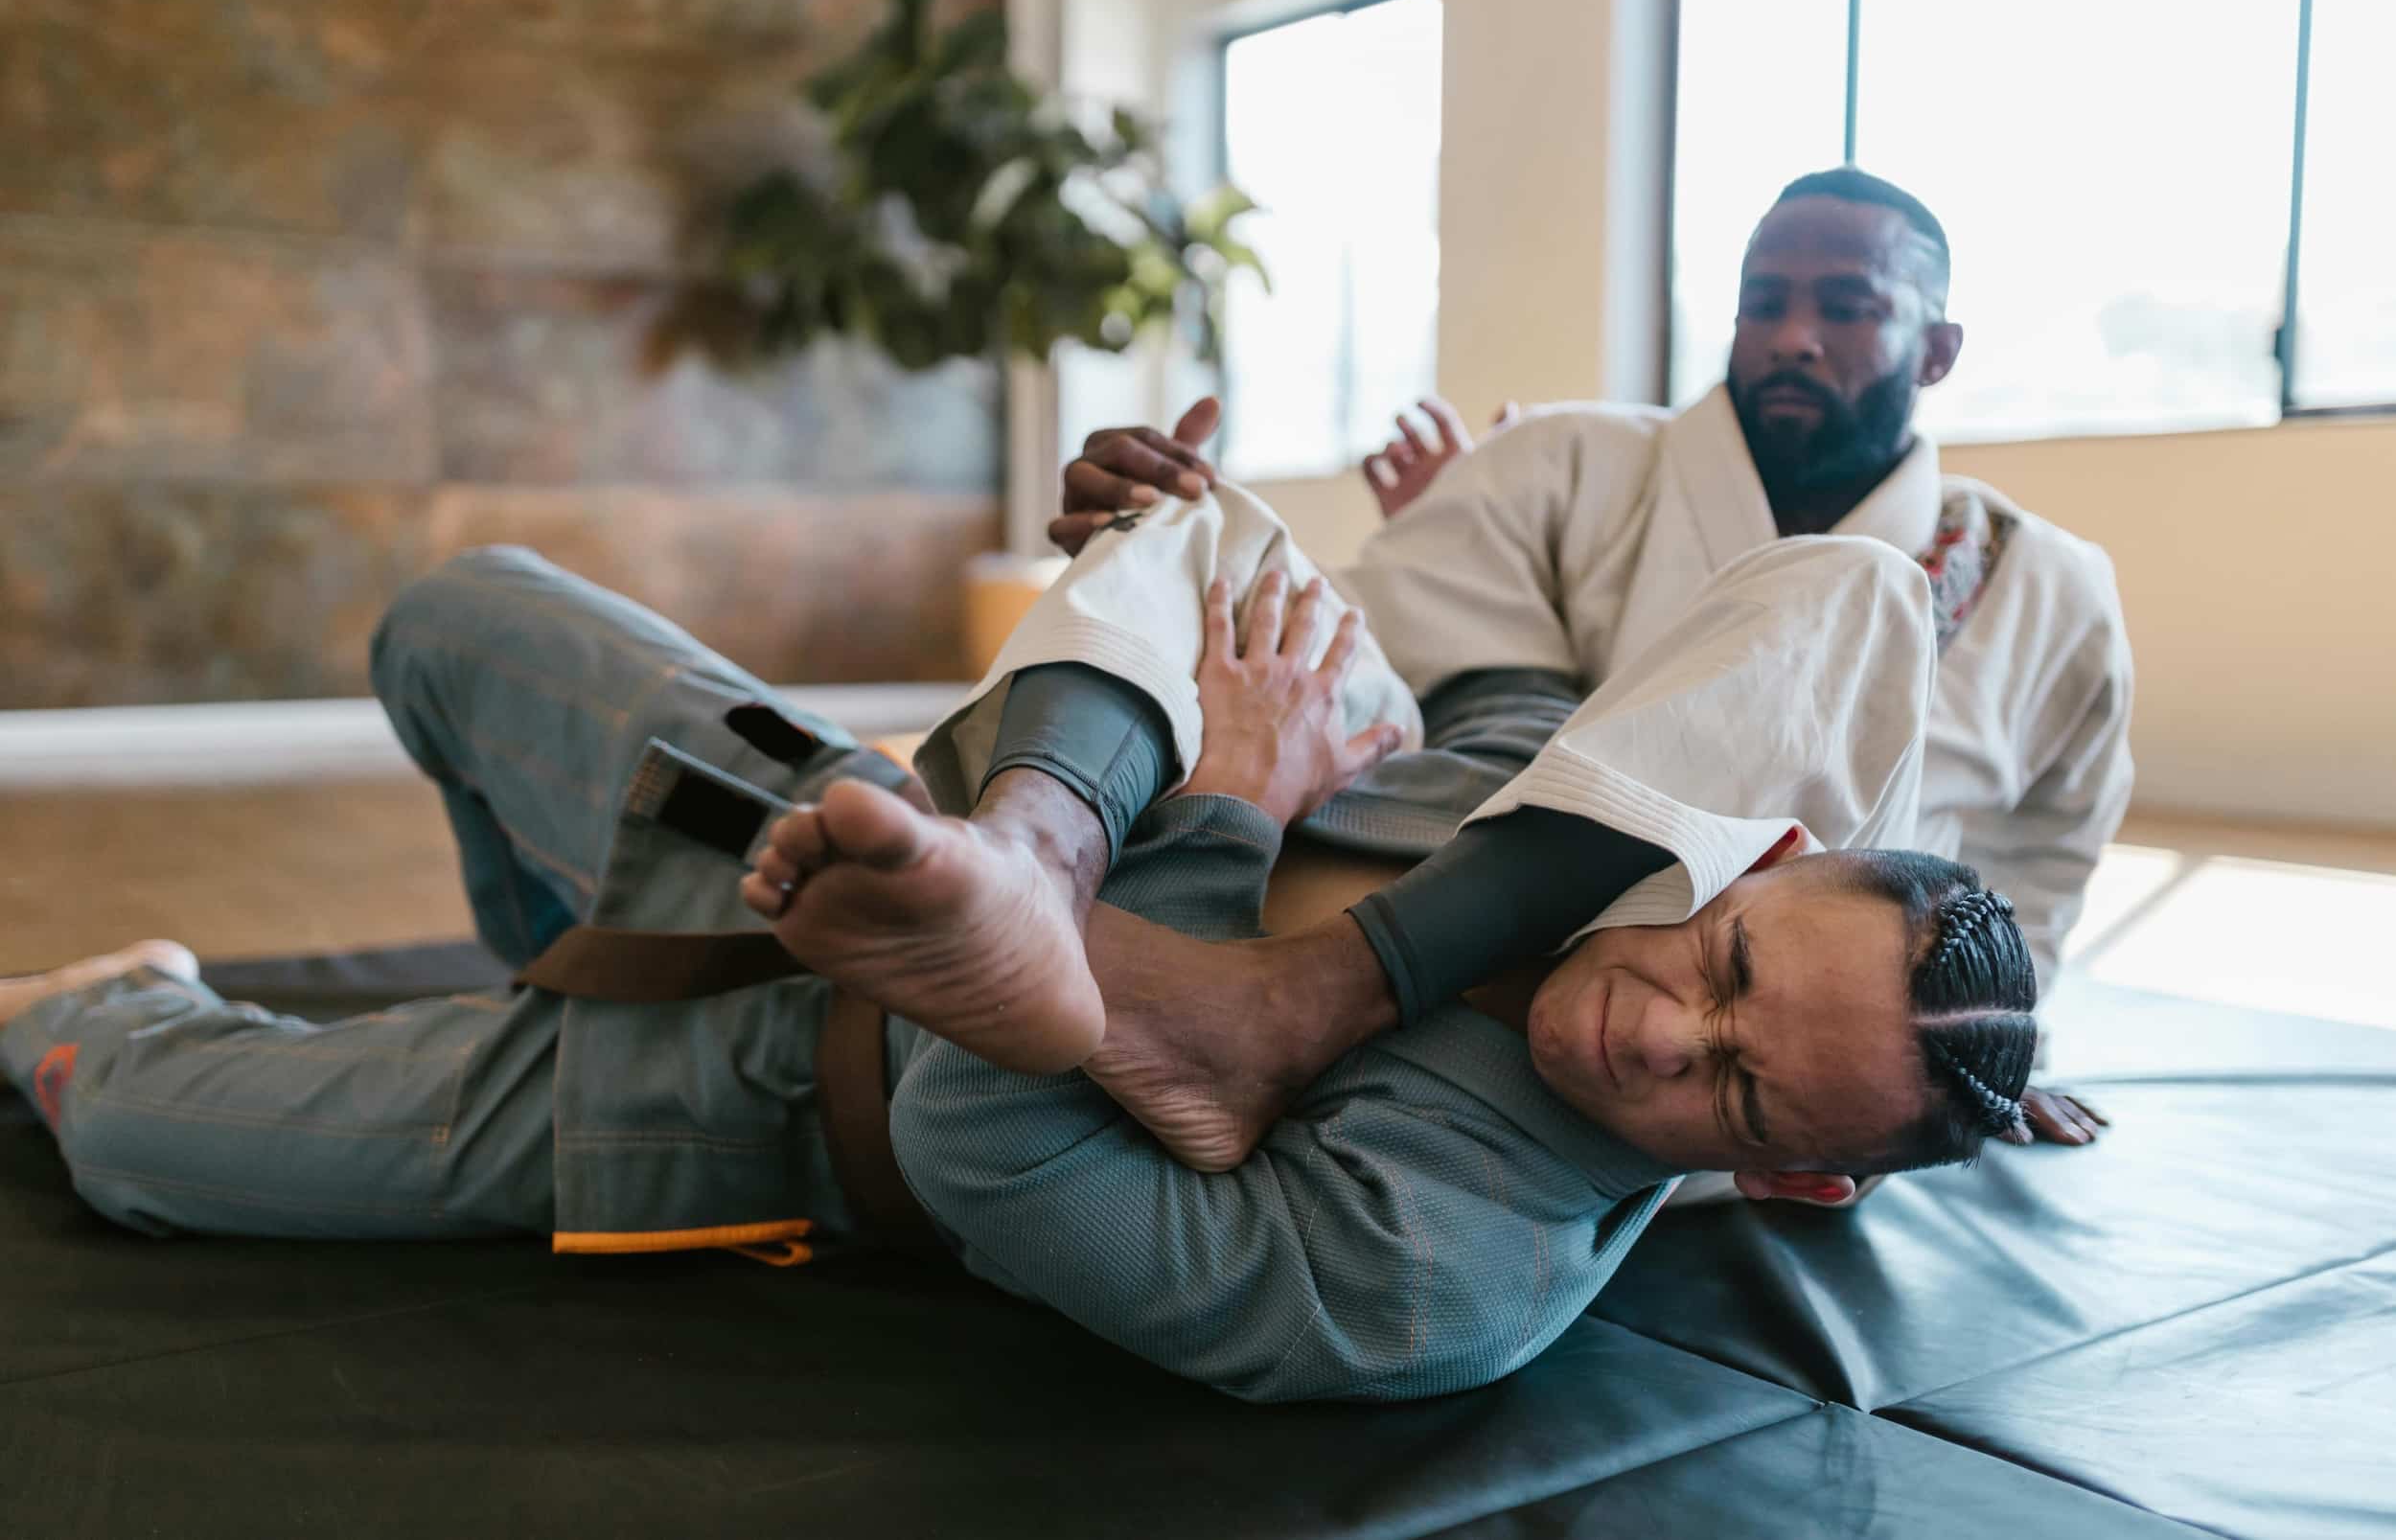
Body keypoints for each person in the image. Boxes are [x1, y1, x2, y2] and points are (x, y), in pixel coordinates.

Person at [3, 512, 2034, 1401]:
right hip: (862, 818)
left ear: (1778, 1172)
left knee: (117, 1111)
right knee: (455, 609)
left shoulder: (1442, 1268)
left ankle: (188, 1007)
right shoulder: (1569, 801)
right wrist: (1145, 632)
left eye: (1739, 1088)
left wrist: (1232, 811)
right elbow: (1297, 615)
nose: (1661, 1023)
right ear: (1751, 851)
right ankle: (976, 854)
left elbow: (995, 1141)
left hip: (776, 1097)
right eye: (1738, 959)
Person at [1051, 167, 2131, 1149]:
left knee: (1858, 588)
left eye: (1846, 308)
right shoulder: (1565, 462)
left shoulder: (2046, 586)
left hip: (1743, 1082)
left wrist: (1982, 1043)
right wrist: (1172, 539)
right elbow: (1356, 656)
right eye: (1765, 301)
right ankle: (1037, 860)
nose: (1793, 335)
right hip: (1473, 945)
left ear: (1936, 350)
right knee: (1205, 544)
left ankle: (1300, 993)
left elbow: (2049, 842)